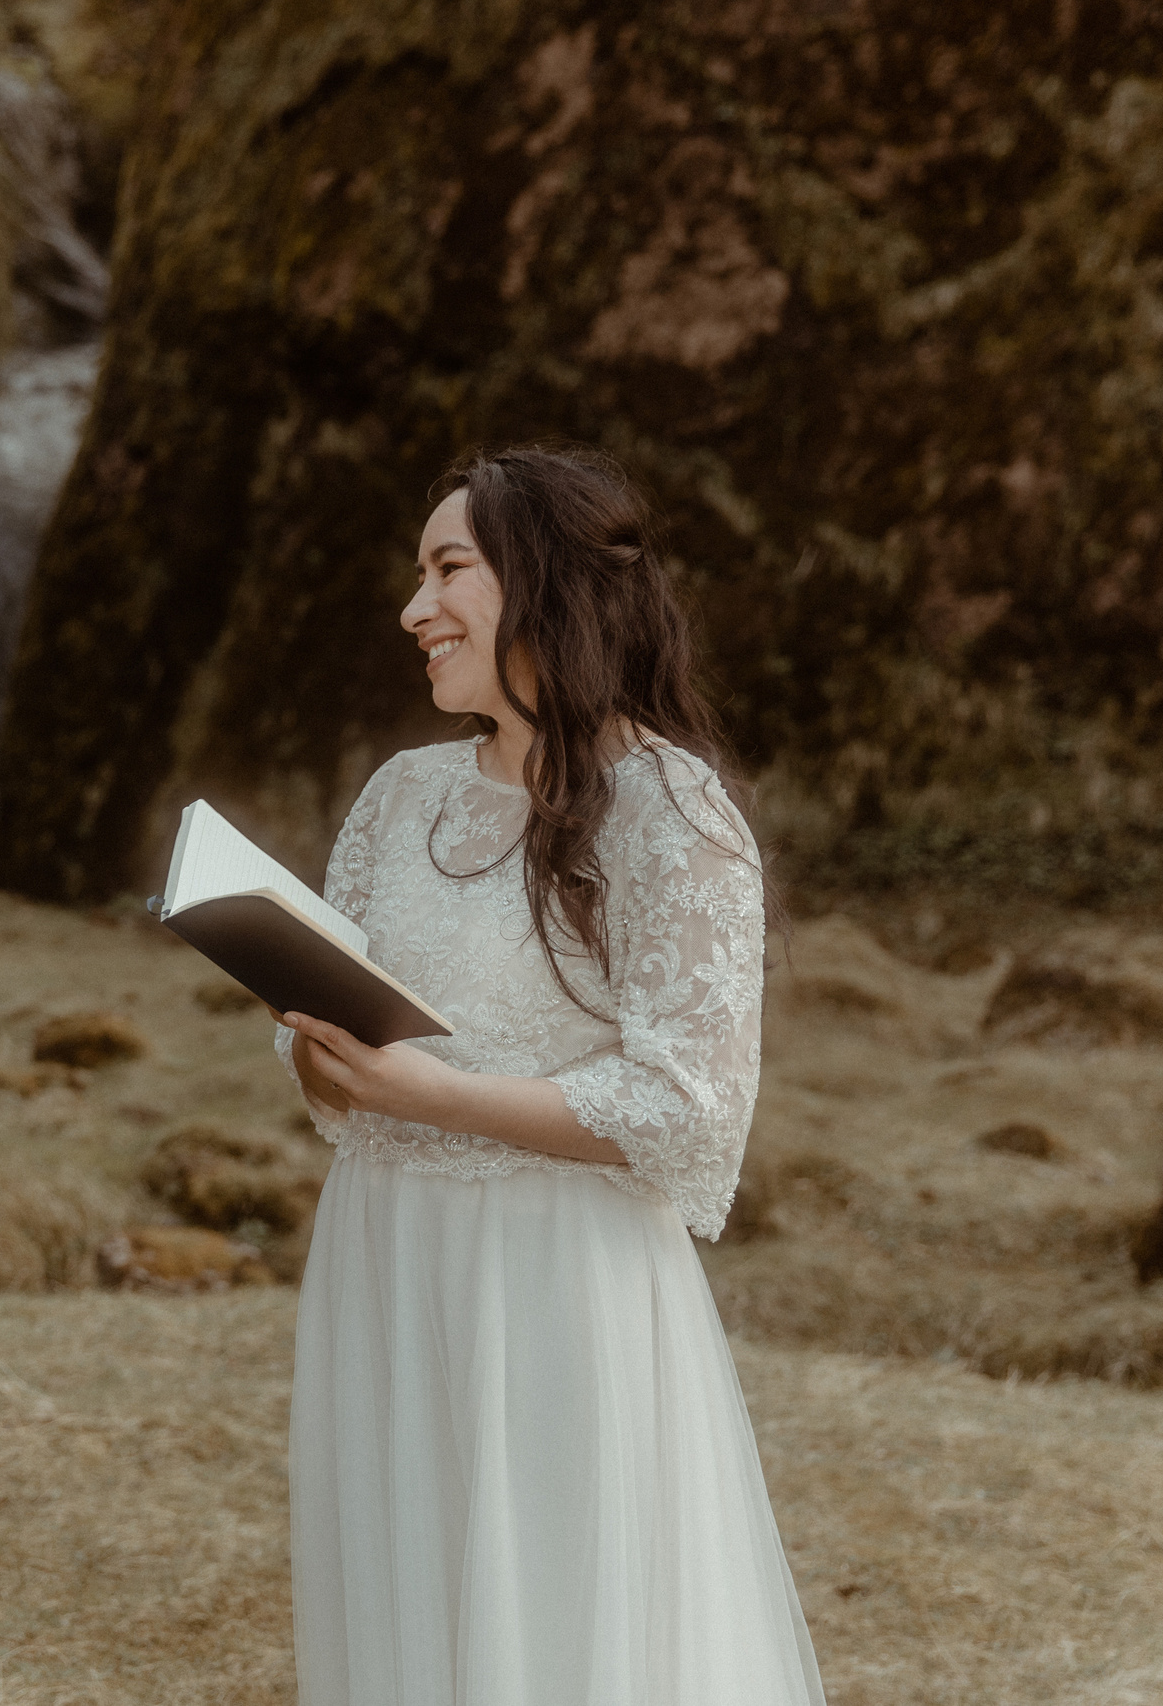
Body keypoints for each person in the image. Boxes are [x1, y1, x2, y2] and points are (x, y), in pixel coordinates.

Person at [273, 444, 829, 1705]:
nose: (415, 610)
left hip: (557, 1284)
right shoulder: (397, 795)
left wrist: (441, 1098)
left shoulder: (671, 813)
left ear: (549, 584)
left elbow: (688, 1107)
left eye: (447, 568)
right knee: (412, 1615)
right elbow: (323, 1057)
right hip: (383, 1255)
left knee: (563, 1632)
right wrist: (322, 1056)